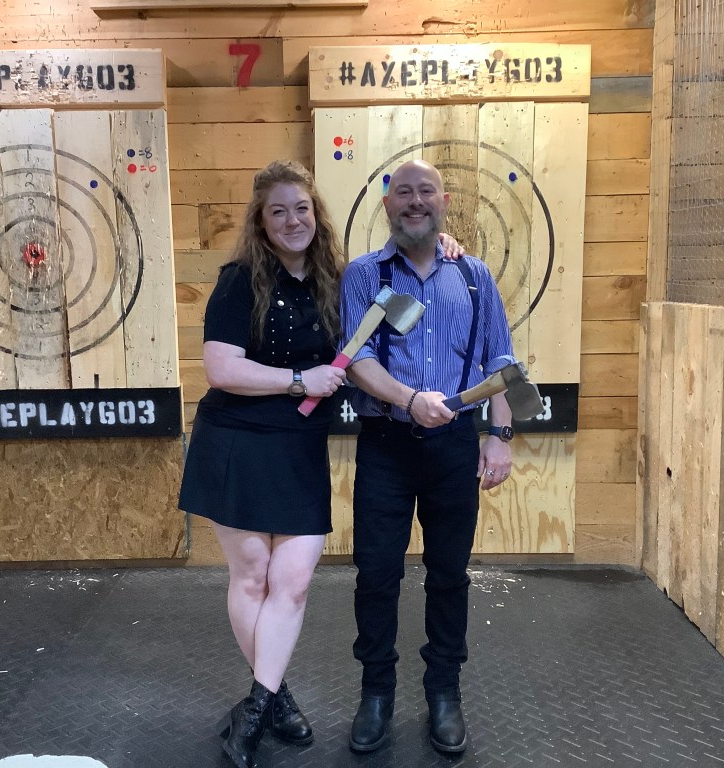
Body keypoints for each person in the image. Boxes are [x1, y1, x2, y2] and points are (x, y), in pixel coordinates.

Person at [178, 159, 465, 768]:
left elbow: (400, 278)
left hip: (297, 446)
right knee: (253, 577)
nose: (292, 220)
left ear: (317, 214)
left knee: (296, 580)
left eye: (301, 208)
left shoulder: (339, 281)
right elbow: (222, 369)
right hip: (235, 441)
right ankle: (269, 701)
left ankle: (259, 701)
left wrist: (437, 241)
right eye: (277, 210)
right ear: (261, 219)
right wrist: (297, 379)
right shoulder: (237, 280)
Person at [339, 159, 517, 755]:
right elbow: (357, 361)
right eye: (404, 194)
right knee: (377, 575)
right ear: (387, 206)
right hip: (386, 444)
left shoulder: (473, 276)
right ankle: (377, 695)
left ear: (444, 203)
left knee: (448, 575)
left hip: (453, 447)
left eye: (427, 193)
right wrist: (410, 401)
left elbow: (501, 362)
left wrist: (500, 436)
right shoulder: (364, 274)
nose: (415, 202)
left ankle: (445, 693)